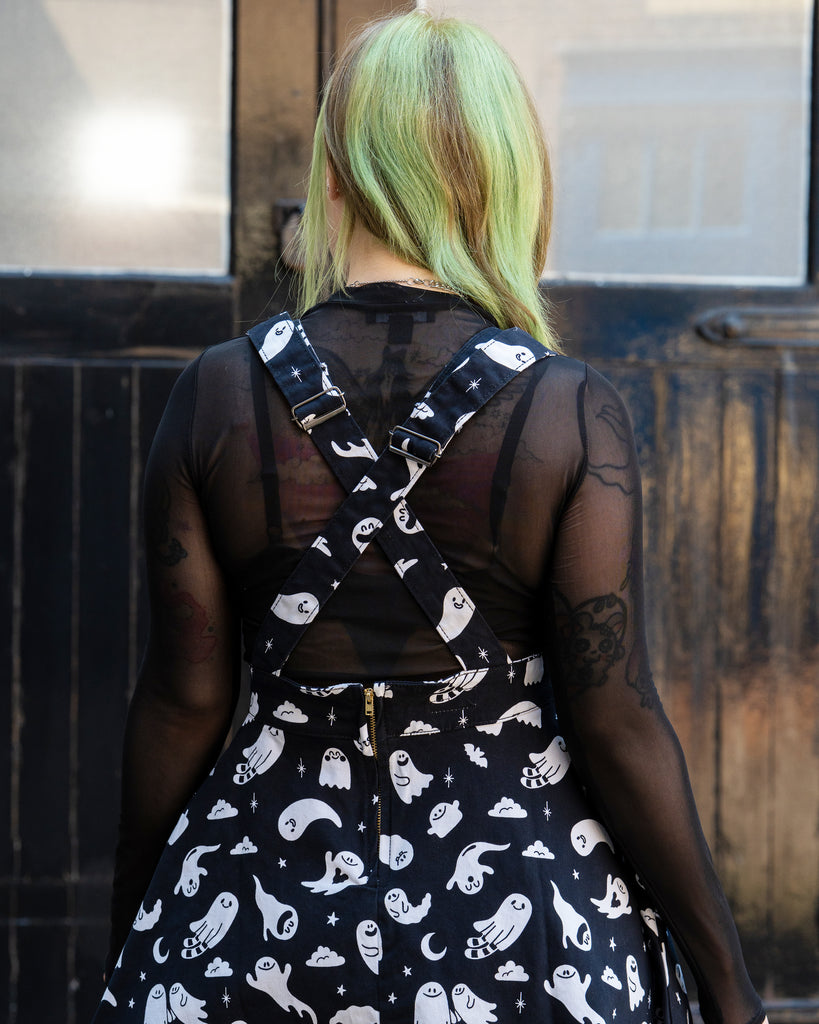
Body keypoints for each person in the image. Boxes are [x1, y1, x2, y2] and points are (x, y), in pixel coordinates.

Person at [92, 11, 766, 1024]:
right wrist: (731, 992)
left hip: (254, 922)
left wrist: (139, 935)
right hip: (529, 929)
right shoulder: (567, 409)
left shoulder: (218, 395)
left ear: (336, 172)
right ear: (502, 177)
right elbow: (616, 720)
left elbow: (182, 704)